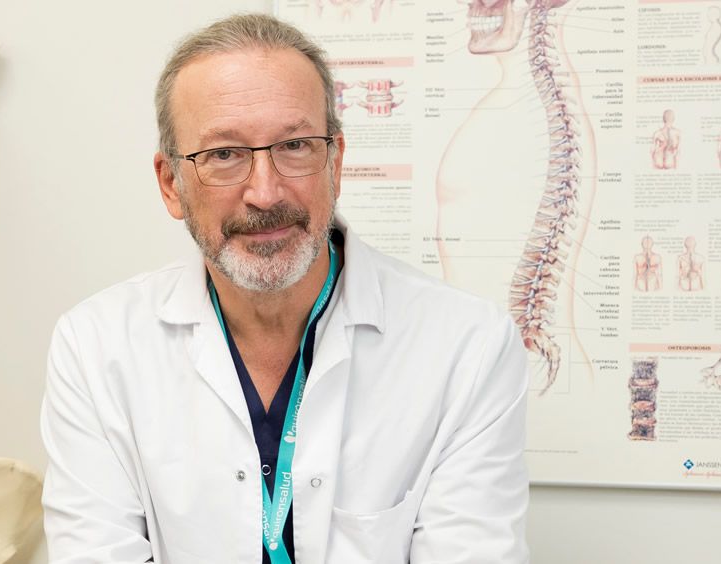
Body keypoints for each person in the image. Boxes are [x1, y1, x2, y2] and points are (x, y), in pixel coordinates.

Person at [40, 13, 530, 564]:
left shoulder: (468, 346)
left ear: (335, 163)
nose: (266, 193)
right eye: (224, 154)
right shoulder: (96, 347)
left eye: (295, 145)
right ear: (171, 184)